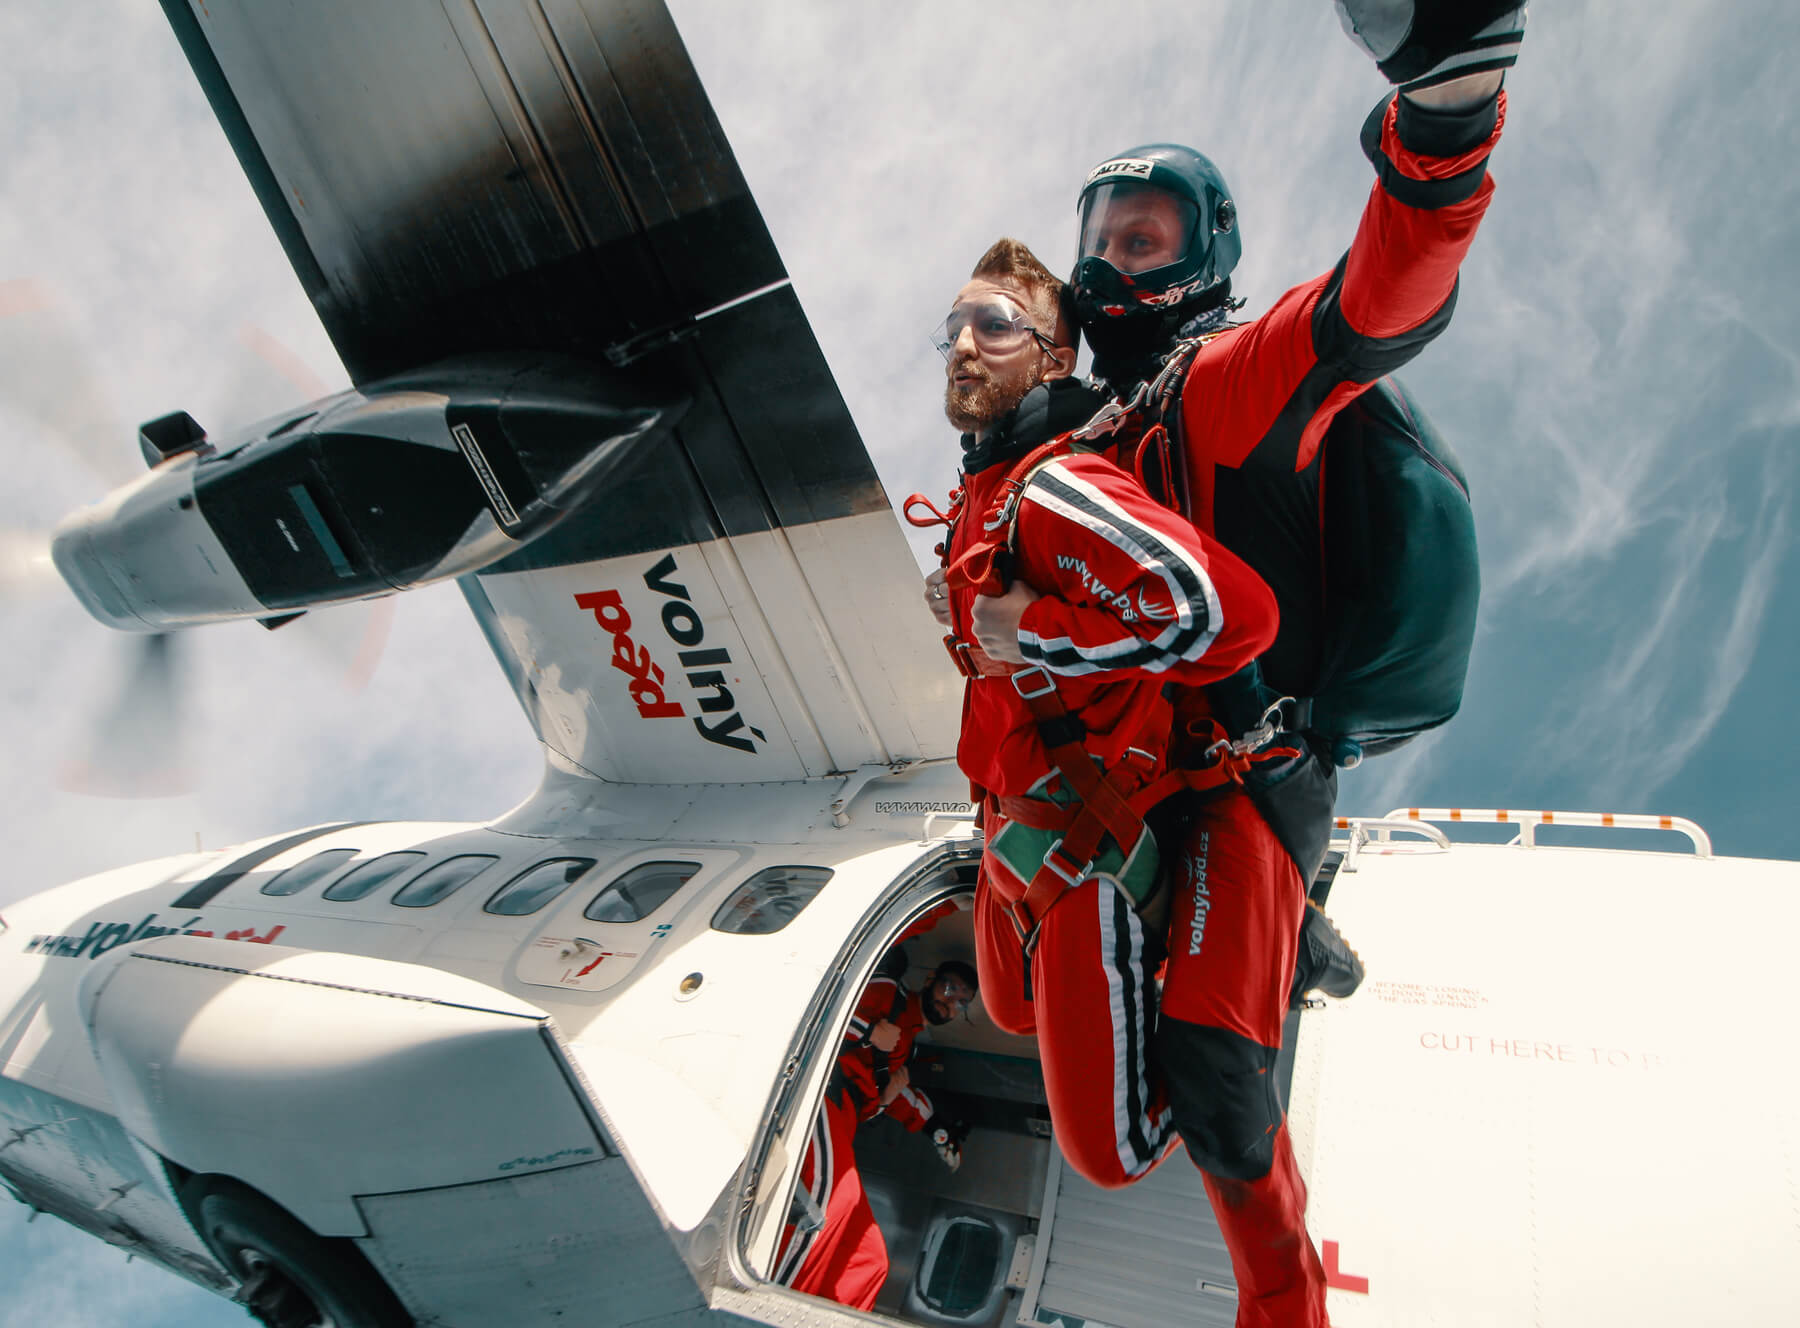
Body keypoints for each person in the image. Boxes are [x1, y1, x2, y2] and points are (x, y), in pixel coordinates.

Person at [914, 236, 1281, 1193]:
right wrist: (964, 605)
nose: (964, 342)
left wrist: (1035, 630)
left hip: (1084, 850)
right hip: (1008, 827)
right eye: (954, 325)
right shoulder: (983, 496)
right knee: (1008, 1011)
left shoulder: (1056, 486)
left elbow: (1231, 615)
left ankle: (1231, 1023)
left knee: (1109, 1159)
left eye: (996, 324)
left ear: (1053, 358)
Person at [774, 957, 979, 1308]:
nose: (951, 1004)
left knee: (870, 1260)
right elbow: (825, 1011)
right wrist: (869, 1032)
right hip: (824, 1095)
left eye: (962, 1002)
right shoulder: (888, 991)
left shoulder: (908, 1047)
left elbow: (901, 1100)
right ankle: (767, 1304)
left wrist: (898, 1109)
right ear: (930, 979)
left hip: (847, 1117)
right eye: (949, 989)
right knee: (833, 1204)